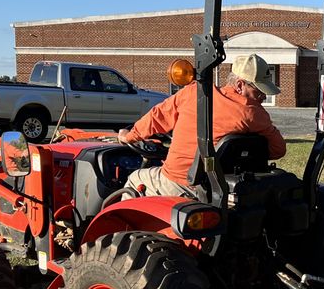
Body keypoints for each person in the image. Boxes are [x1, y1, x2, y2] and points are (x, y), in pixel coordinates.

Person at [120, 53, 287, 196]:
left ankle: (119, 233)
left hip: (179, 182)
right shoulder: (254, 115)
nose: (263, 97)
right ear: (239, 85)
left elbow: (157, 118)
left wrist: (128, 136)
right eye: (259, 91)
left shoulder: (194, 92)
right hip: (215, 187)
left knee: (135, 179)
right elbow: (278, 149)